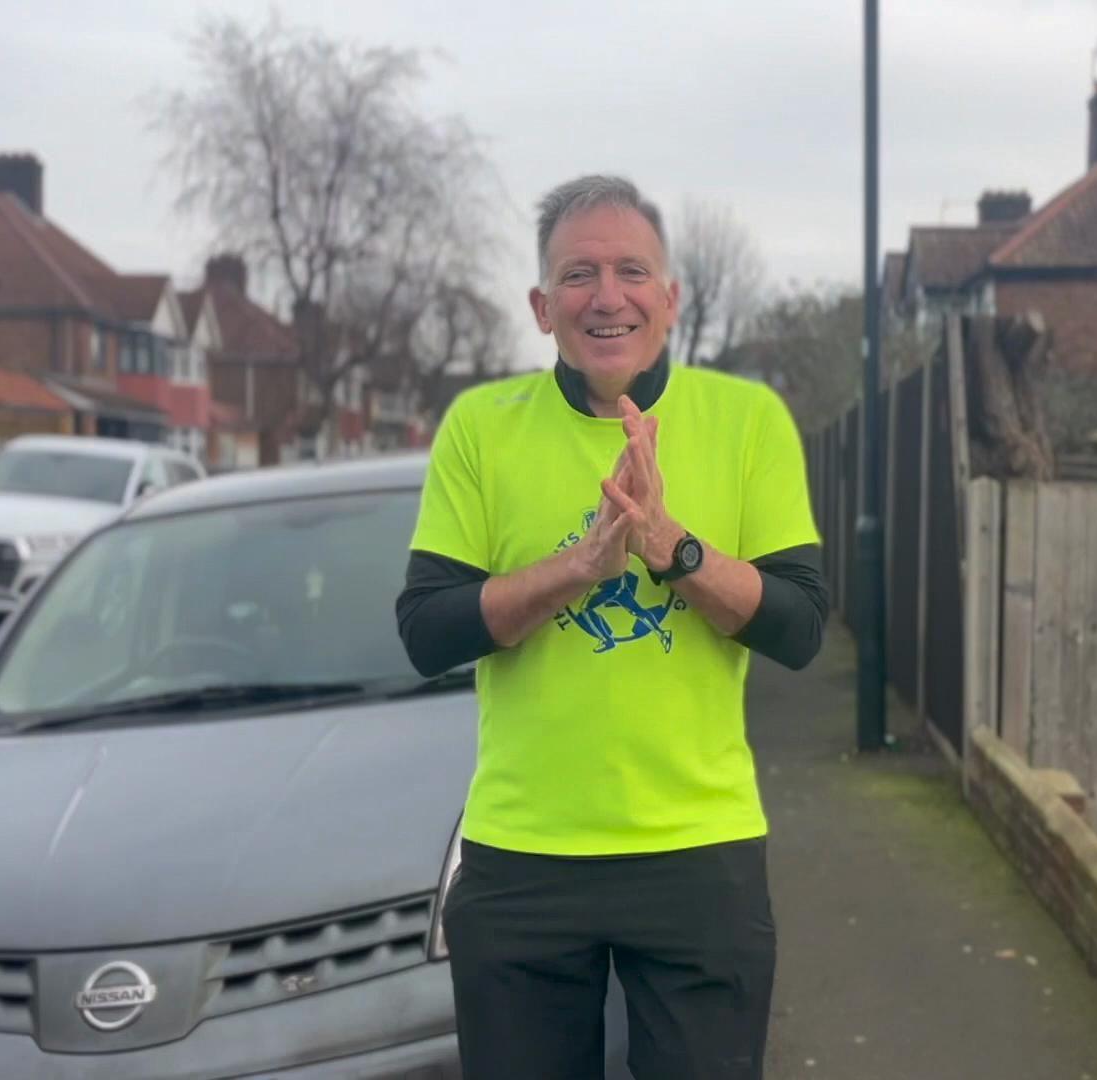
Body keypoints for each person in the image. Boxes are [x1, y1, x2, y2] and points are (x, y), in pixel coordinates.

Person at [395, 174, 827, 1080]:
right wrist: (578, 569)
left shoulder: (748, 421)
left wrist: (672, 548)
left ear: (669, 300)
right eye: (579, 274)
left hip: (698, 854)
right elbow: (428, 631)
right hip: (524, 857)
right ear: (542, 306)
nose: (607, 295)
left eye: (632, 271)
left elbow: (798, 625)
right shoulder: (480, 427)